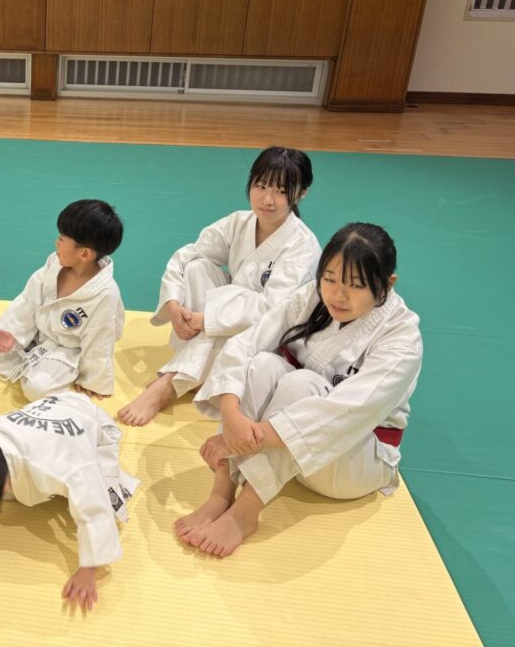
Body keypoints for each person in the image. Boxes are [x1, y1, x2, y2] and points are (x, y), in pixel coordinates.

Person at [175, 223, 421, 557]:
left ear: (387, 285)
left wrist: (239, 439)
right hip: (288, 450)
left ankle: (246, 511)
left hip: (352, 459)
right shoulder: (312, 297)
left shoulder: (401, 339)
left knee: (301, 384)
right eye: (330, 278)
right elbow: (246, 344)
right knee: (263, 364)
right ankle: (221, 493)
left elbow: (343, 414)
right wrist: (231, 415)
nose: (338, 295)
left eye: (356, 285)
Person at [119, 146, 320, 426]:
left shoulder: (302, 247)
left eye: (281, 191)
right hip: (225, 322)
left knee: (234, 301)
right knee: (197, 267)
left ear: (301, 193)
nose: (267, 199)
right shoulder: (239, 222)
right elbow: (188, 256)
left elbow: (272, 311)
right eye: (261, 186)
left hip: (269, 338)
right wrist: (174, 304)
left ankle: (170, 383)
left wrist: (207, 319)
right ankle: (201, 370)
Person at [0, 391, 139, 611]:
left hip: (93, 427)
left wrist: (88, 570)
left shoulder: (67, 467)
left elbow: (95, 511)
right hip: (55, 410)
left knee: (105, 502)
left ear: (4, 487)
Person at [0, 199, 124, 400]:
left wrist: (92, 380)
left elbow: (100, 340)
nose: (56, 243)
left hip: (67, 348)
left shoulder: (104, 293)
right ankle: (32, 361)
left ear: (84, 254)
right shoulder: (53, 267)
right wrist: (14, 336)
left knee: (37, 389)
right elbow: (26, 303)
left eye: (62, 239)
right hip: (39, 331)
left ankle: (46, 367)